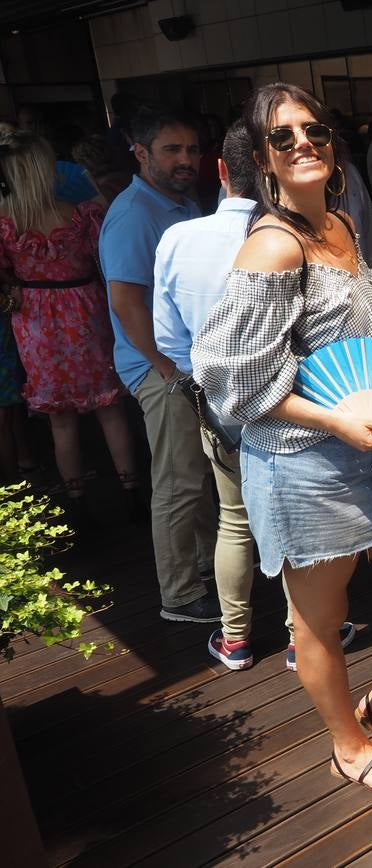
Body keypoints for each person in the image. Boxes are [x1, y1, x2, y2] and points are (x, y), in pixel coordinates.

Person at [192, 83, 372, 793]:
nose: (304, 142)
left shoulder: (337, 224)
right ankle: (346, 743)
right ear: (264, 160)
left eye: (314, 131)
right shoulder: (274, 246)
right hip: (304, 468)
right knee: (319, 624)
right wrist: (335, 418)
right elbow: (228, 378)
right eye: (284, 137)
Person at [153, 121, 357, 671]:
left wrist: (200, 380)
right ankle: (302, 636)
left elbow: (170, 339)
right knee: (300, 517)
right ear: (269, 166)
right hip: (307, 406)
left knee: (235, 518)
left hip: (218, 404)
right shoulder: (304, 236)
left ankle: (237, 638)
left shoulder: (179, 239)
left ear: (219, 171)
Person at [100, 109, 221, 624]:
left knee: (196, 476)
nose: (186, 160)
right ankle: (179, 594)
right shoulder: (134, 214)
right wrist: (163, 367)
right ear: (141, 153)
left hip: (183, 361)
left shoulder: (183, 202)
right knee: (179, 481)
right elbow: (125, 300)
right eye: (172, 150)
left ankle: (203, 566)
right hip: (161, 367)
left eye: (192, 150)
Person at [0, 131, 141, 520]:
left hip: (35, 319)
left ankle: (77, 503)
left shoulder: (6, 225)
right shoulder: (82, 215)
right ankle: (132, 494)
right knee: (110, 409)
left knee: (60, 421)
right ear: (47, 169)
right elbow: (107, 261)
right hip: (87, 310)